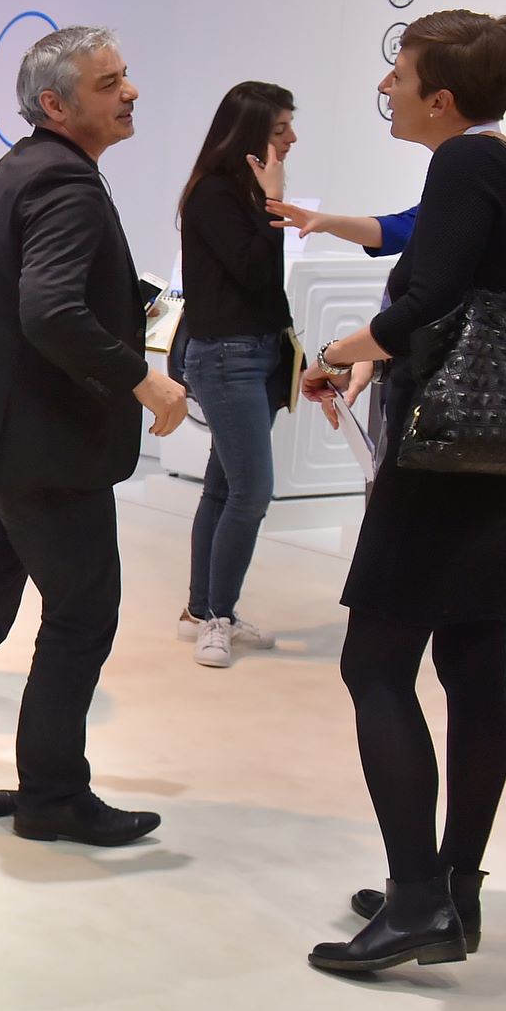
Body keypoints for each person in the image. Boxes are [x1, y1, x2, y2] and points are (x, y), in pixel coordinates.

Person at [304, 11, 506, 974]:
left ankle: (416, 900)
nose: (386, 88)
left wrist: (339, 351)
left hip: (444, 462)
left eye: (398, 75)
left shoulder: (464, 164)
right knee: (474, 661)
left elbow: (426, 302)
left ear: (439, 97)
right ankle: (455, 889)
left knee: (375, 664)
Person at [0, 26, 188, 836]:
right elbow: (49, 310)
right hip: (47, 451)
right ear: (55, 103)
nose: (131, 92)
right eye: (109, 83)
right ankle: (52, 796)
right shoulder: (64, 184)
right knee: (81, 614)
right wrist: (141, 375)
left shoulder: (18, 169)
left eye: (126, 75)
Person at [175, 81, 298, 667]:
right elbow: (253, 270)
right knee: (250, 491)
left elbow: (265, 286)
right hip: (227, 358)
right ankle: (216, 617)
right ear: (249, 135)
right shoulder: (214, 195)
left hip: (258, 354)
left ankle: (204, 608)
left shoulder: (241, 192)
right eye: (280, 130)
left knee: (224, 488)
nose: (291, 140)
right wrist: (274, 203)